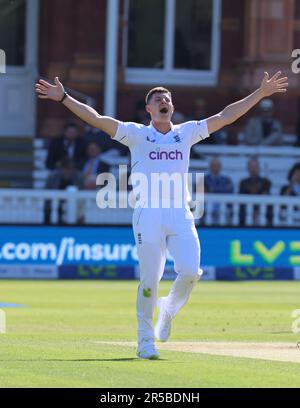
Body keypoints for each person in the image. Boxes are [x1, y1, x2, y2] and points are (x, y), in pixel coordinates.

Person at [36, 71, 288, 359]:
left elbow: (225, 116)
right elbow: (97, 119)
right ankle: (145, 341)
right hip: (149, 214)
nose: (164, 101)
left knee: (192, 272)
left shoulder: (186, 132)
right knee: (150, 280)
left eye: (167, 98)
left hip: (181, 213)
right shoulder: (137, 134)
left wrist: (259, 93)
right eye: (158, 99)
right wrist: (65, 97)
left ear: (172, 105)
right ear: (149, 109)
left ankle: (167, 310)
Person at [44, 158, 84, 224]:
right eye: (65, 168)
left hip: (74, 207)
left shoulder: (78, 177)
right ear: (61, 168)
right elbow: (46, 194)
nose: (67, 171)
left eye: (70, 169)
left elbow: (82, 195)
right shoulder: (52, 177)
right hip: (55, 206)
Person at [239, 157, 272, 225]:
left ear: (259, 168)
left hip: (261, 212)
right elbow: (242, 200)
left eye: (255, 167)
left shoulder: (266, 182)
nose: (253, 169)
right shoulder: (243, 182)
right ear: (248, 168)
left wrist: (257, 211)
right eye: (251, 167)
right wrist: (251, 211)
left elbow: (265, 197)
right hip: (247, 212)